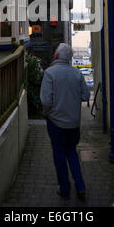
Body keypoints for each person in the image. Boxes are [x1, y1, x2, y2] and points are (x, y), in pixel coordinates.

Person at [40, 43, 90, 201]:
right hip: (74, 124)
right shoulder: (77, 74)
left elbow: (45, 101)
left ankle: (65, 189)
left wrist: (47, 113)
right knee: (72, 153)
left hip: (56, 124)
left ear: (56, 56)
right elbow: (86, 96)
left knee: (59, 156)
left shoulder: (50, 73)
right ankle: (80, 186)